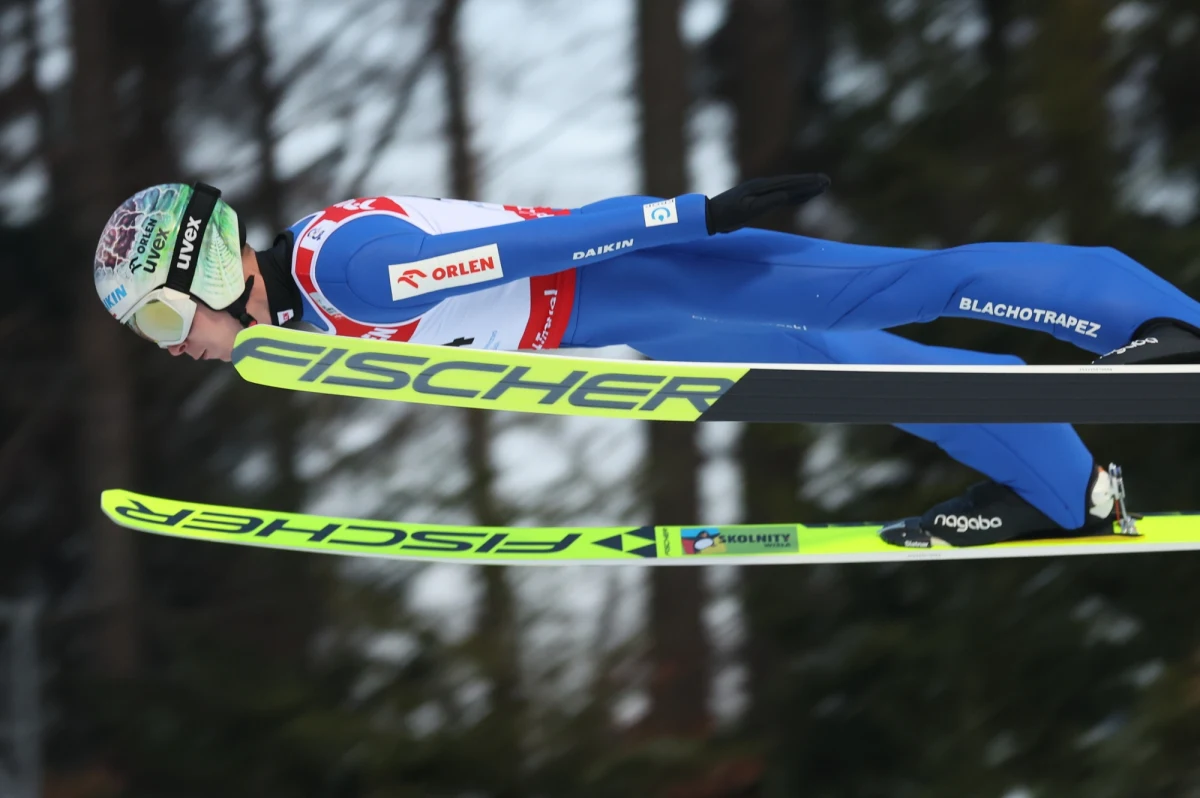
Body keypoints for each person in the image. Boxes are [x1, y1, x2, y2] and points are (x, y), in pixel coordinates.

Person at [93, 178, 1200, 549]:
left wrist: (691, 215)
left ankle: (1163, 327)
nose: (173, 349)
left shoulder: (347, 274)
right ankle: (1067, 492)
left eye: (159, 320)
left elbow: (530, 247)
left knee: (911, 286)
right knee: (871, 375)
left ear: (213, 268)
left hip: (664, 278)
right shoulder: (306, 330)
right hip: (641, 328)